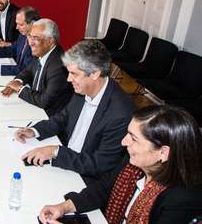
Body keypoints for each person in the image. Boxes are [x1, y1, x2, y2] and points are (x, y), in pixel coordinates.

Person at [38, 105, 202, 224]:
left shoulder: (185, 200)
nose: (123, 142)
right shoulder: (134, 164)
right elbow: (103, 189)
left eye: (133, 138)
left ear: (163, 153)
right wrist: (64, 207)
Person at [15, 40, 135, 183]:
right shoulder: (83, 89)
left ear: (95, 73)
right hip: (66, 162)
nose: (68, 79)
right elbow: (63, 118)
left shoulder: (120, 113)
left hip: (84, 178)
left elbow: (99, 164)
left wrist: (56, 152)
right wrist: (34, 131)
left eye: (74, 73)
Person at [2, 18, 73, 116]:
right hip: (35, 107)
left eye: (35, 38)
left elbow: (44, 101)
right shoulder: (43, 51)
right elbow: (28, 71)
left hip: (47, 117)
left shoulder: (58, 66)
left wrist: (19, 88)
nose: (30, 43)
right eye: (30, 36)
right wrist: (17, 81)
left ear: (50, 41)